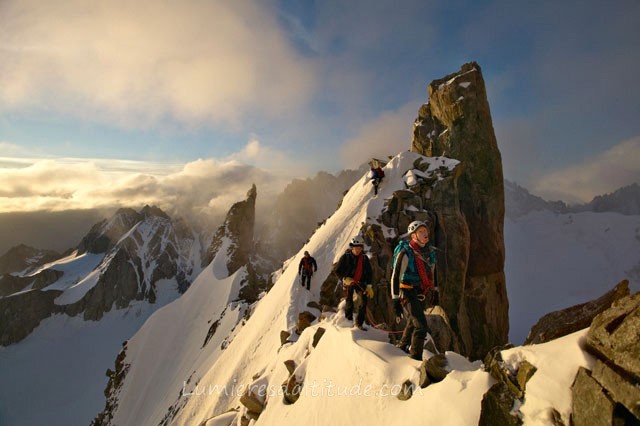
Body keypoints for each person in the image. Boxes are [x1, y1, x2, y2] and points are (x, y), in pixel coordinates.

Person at [390, 221, 437, 360]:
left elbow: (431, 273)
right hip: (407, 291)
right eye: (421, 232)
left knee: (413, 320)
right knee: (421, 326)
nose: (425, 234)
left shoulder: (427, 252)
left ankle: (403, 345)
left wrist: (434, 290)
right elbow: (395, 277)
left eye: (425, 231)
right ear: (413, 236)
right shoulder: (405, 253)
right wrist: (395, 301)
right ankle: (415, 357)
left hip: (420, 292)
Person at [335, 235, 374, 330]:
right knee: (349, 301)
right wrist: (344, 278)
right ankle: (348, 321)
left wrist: (369, 286)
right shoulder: (345, 257)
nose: (358, 250)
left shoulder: (364, 258)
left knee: (363, 302)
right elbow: (337, 270)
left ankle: (359, 324)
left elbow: (369, 273)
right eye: (356, 248)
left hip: (360, 282)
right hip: (349, 282)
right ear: (352, 247)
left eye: (360, 248)